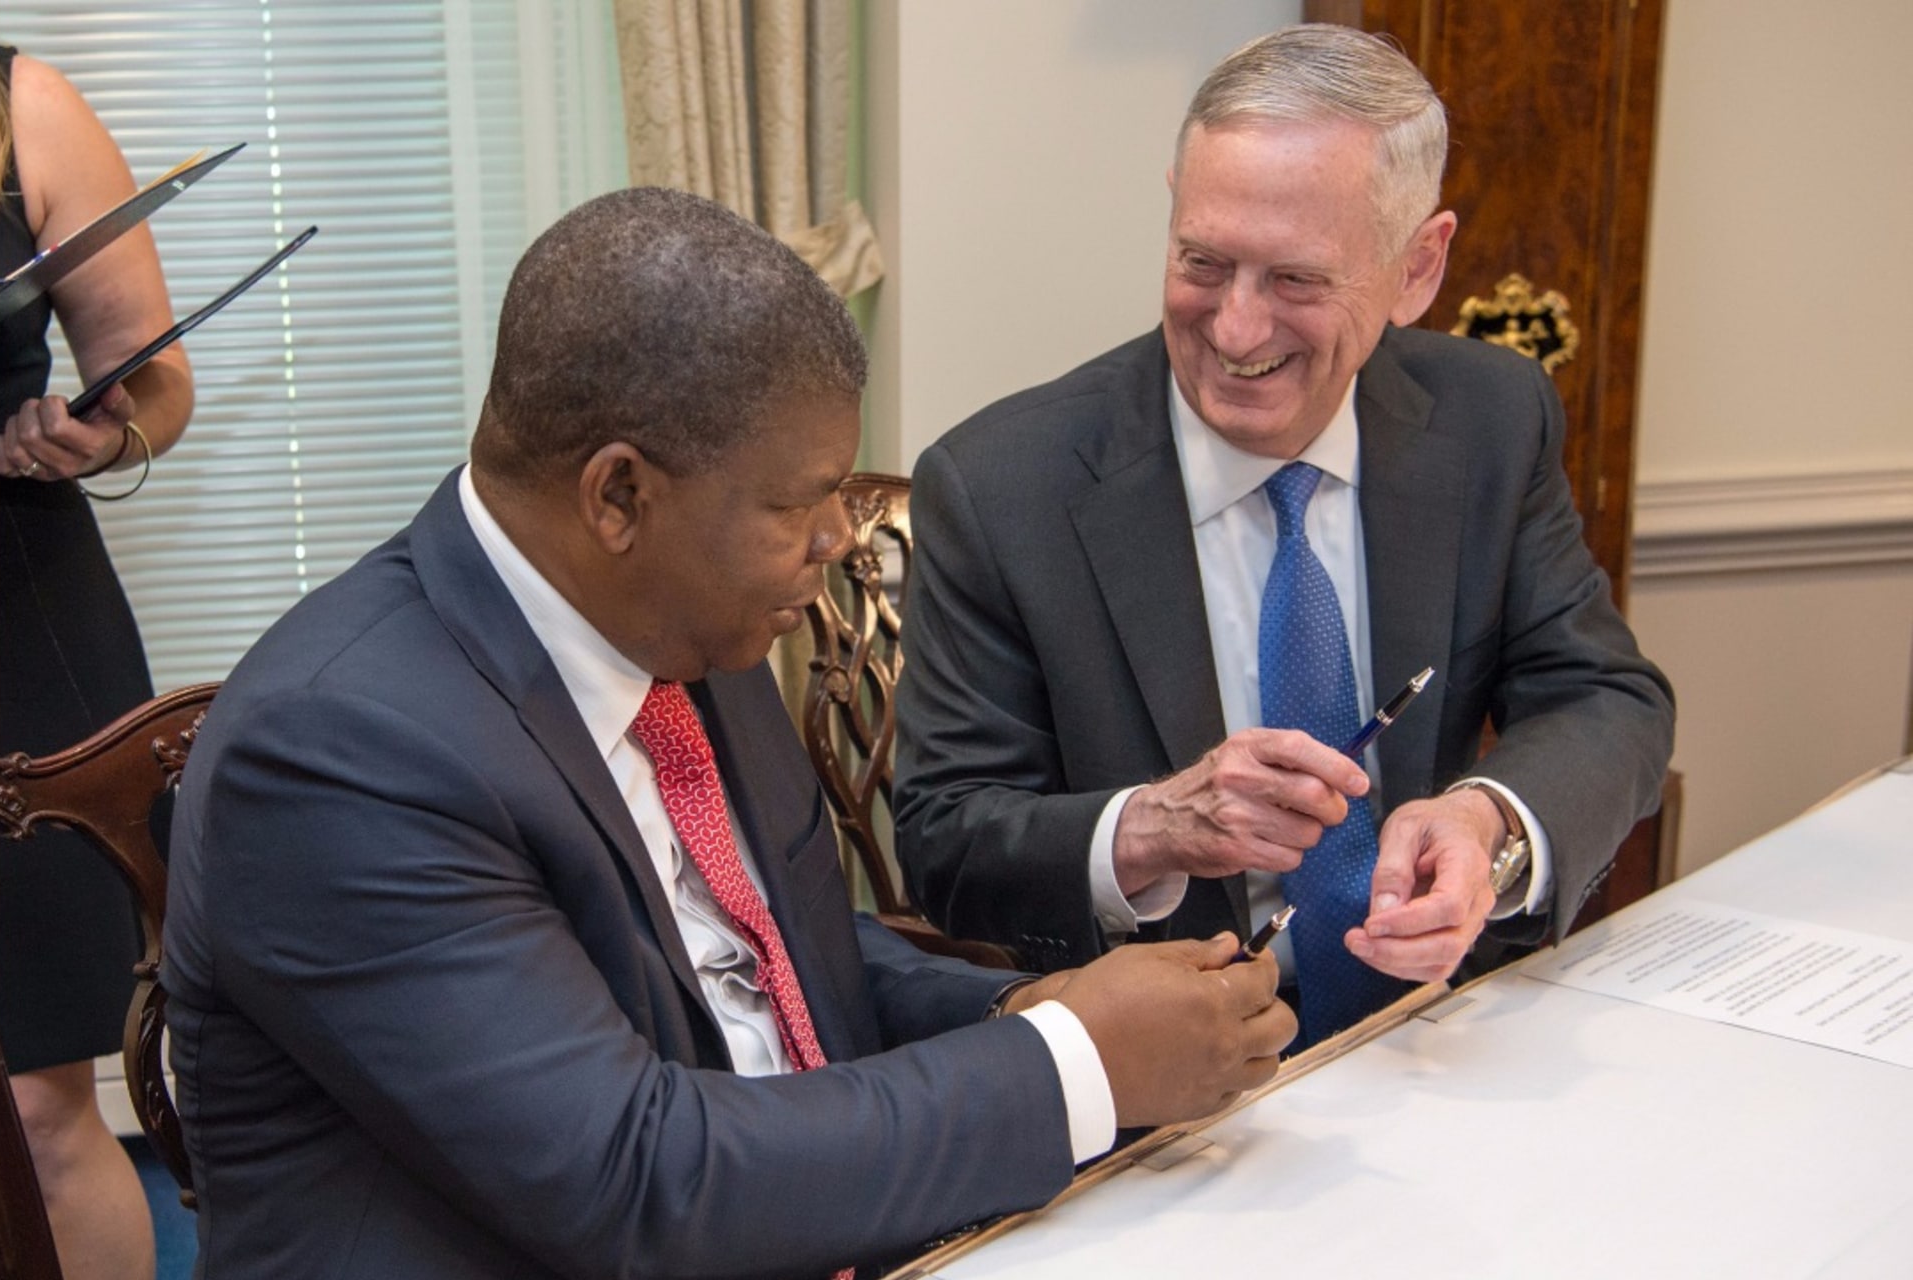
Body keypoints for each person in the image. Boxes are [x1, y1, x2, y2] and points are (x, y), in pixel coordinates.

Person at [162, 187, 1294, 1280]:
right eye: (799, 503)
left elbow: (801, 977)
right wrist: (1069, 1065)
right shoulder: (339, 753)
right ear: (619, 496)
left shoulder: (687, 623)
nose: (840, 539)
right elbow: (630, 1179)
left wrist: (1025, 1010)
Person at [893, 25, 1675, 1050]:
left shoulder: (1490, 418)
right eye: (1203, 263)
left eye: (1297, 280)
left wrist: (1488, 822)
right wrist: (1155, 825)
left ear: (1417, 267)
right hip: (1165, 1092)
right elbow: (945, 842)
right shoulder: (1003, 486)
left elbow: (1606, 696)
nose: (1236, 330)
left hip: (1437, 1041)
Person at [0, 43, 194, 1280]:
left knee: (38, 1107)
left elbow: (157, 386)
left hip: (15, 624)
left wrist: (94, 435)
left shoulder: (25, 109)